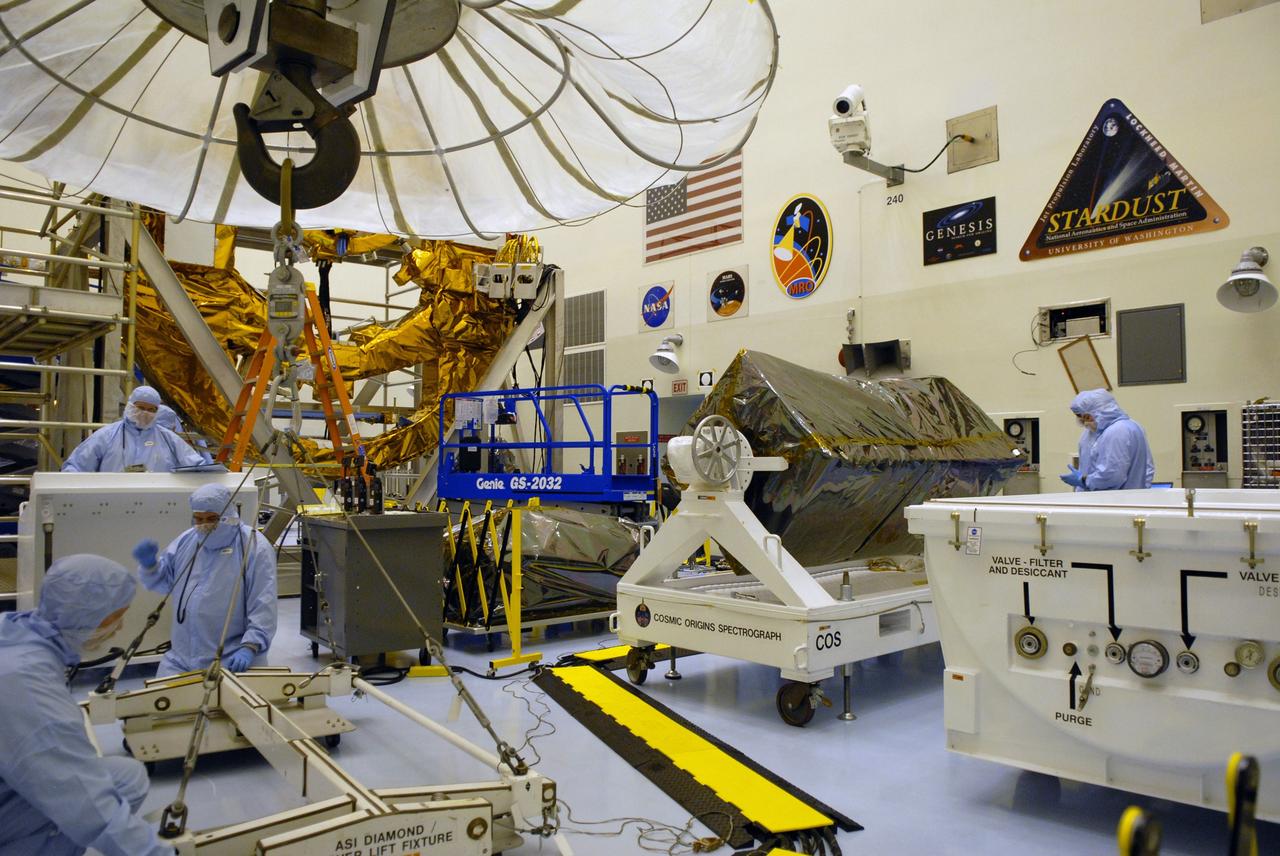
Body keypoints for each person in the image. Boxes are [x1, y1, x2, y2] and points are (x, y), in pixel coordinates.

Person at [0, 555, 173, 856]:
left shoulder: (16, 633)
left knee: (126, 777)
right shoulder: (29, 687)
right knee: (90, 797)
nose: (119, 629)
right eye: (115, 617)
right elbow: (85, 800)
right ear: (87, 617)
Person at [132, 484, 276, 677]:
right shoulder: (187, 540)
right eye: (198, 519)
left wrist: (250, 646)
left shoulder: (253, 545)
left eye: (212, 519)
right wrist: (150, 566)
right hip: (181, 658)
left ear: (228, 515)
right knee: (165, 703)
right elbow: (166, 583)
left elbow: (263, 602)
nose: (204, 525)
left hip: (231, 659)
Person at [62, 385, 206, 473]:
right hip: (111, 504)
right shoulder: (107, 435)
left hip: (157, 506)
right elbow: (76, 466)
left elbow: (197, 466)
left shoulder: (169, 439)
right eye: (140, 407)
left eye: (151, 409)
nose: (145, 413)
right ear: (130, 405)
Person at [1061, 389, 1155, 491]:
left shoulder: (1118, 431)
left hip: (1115, 502)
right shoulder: (1092, 433)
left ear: (1100, 411)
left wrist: (1084, 481)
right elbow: (1148, 469)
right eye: (1081, 419)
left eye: (1087, 417)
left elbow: (1112, 476)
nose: (1085, 423)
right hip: (1105, 501)